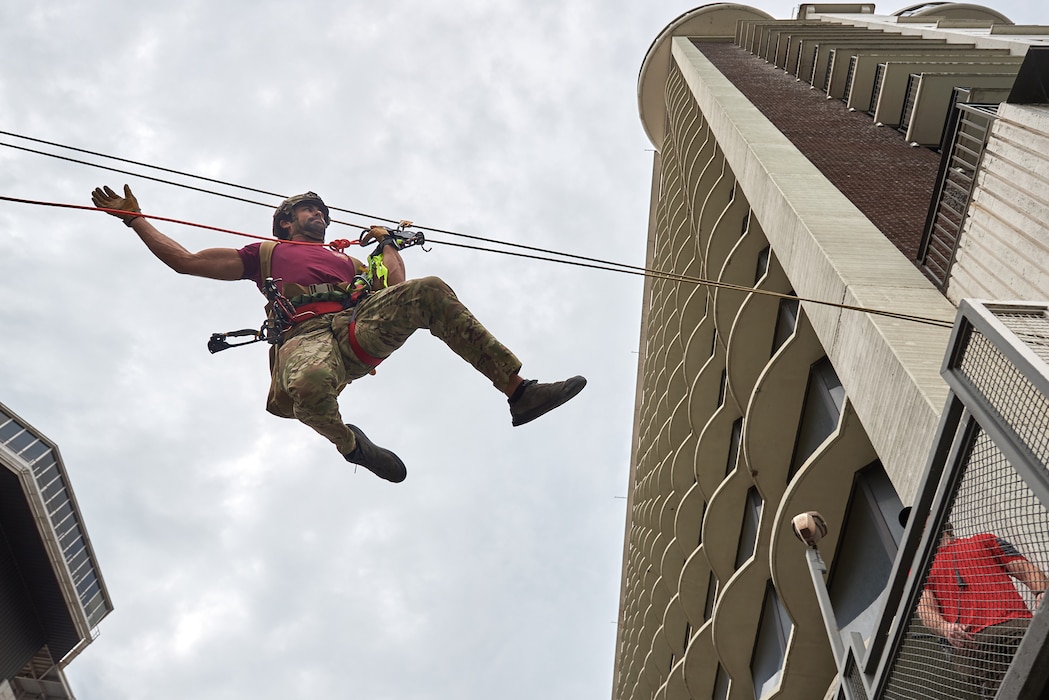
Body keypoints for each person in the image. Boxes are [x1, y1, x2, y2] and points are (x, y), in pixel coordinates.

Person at [90, 185, 586, 483]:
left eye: (322, 210)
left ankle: (519, 392)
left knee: (429, 291)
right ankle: (351, 445)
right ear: (285, 221)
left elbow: (396, 286)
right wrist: (137, 222)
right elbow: (186, 262)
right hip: (305, 338)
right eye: (309, 210)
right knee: (306, 388)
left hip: (354, 328)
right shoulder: (265, 254)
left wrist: (387, 243)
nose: (320, 215)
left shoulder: (349, 262)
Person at [917, 523, 1048, 698]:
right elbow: (925, 608)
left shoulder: (984, 540)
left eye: (923, 519)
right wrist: (945, 628)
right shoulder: (920, 570)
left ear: (940, 521)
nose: (919, 527)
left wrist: (1041, 592)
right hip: (972, 646)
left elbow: (1025, 569)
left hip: (1014, 625)